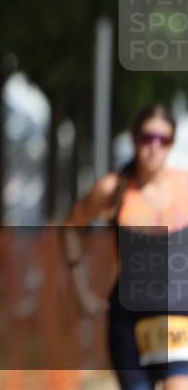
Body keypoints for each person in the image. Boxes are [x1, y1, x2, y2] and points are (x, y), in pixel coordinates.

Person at [64, 104, 188, 390]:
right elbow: (71, 227)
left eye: (163, 140)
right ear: (135, 138)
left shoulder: (183, 185)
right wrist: (80, 287)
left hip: (177, 317)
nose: (154, 147)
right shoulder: (113, 190)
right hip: (130, 321)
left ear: (171, 144)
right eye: (147, 138)